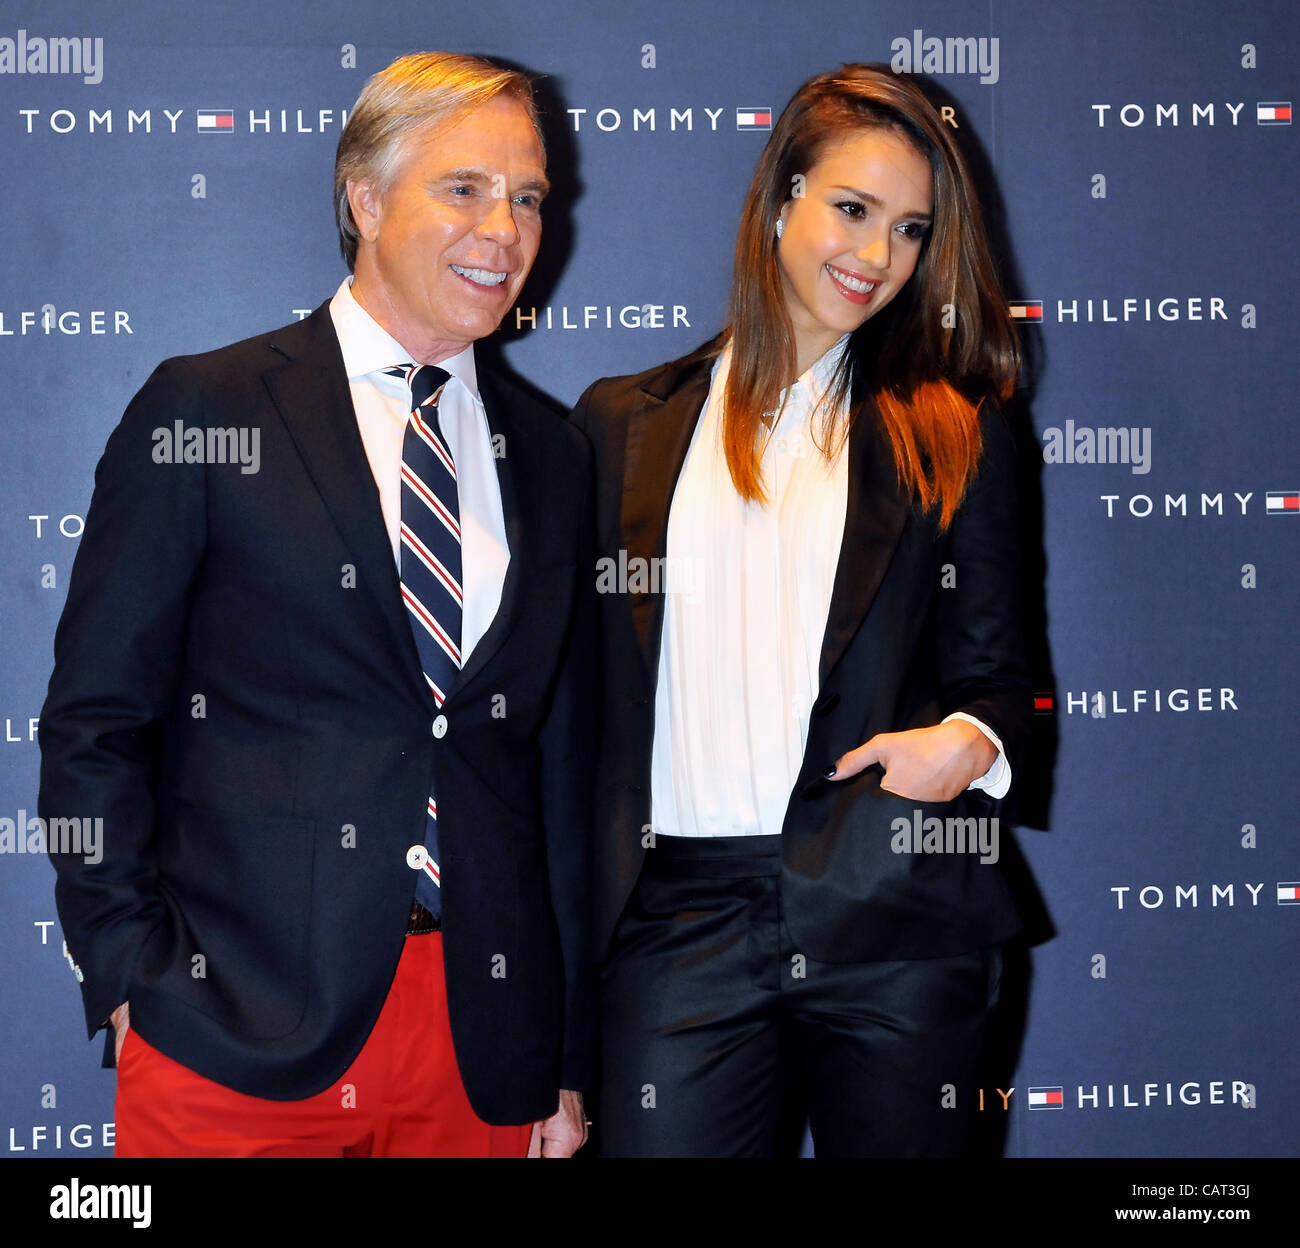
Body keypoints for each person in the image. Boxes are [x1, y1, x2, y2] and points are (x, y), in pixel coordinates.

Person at [39, 51, 595, 1157]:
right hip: (231, 1023)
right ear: (366, 196)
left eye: (527, 197)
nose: (505, 229)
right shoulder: (208, 405)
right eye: (465, 188)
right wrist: (126, 971)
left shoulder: (553, 454)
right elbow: (95, 720)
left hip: (479, 1043)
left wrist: (562, 1051)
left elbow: (559, 779)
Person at [573, 63, 1030, 1157]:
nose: (875, 257)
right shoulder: (619, 424)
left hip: (894, 898)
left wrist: (964, 747)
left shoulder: (954, 428)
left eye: (911, 230)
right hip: (675, 911)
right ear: (782, 199)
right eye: (851, 209)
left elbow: (1000, 674)